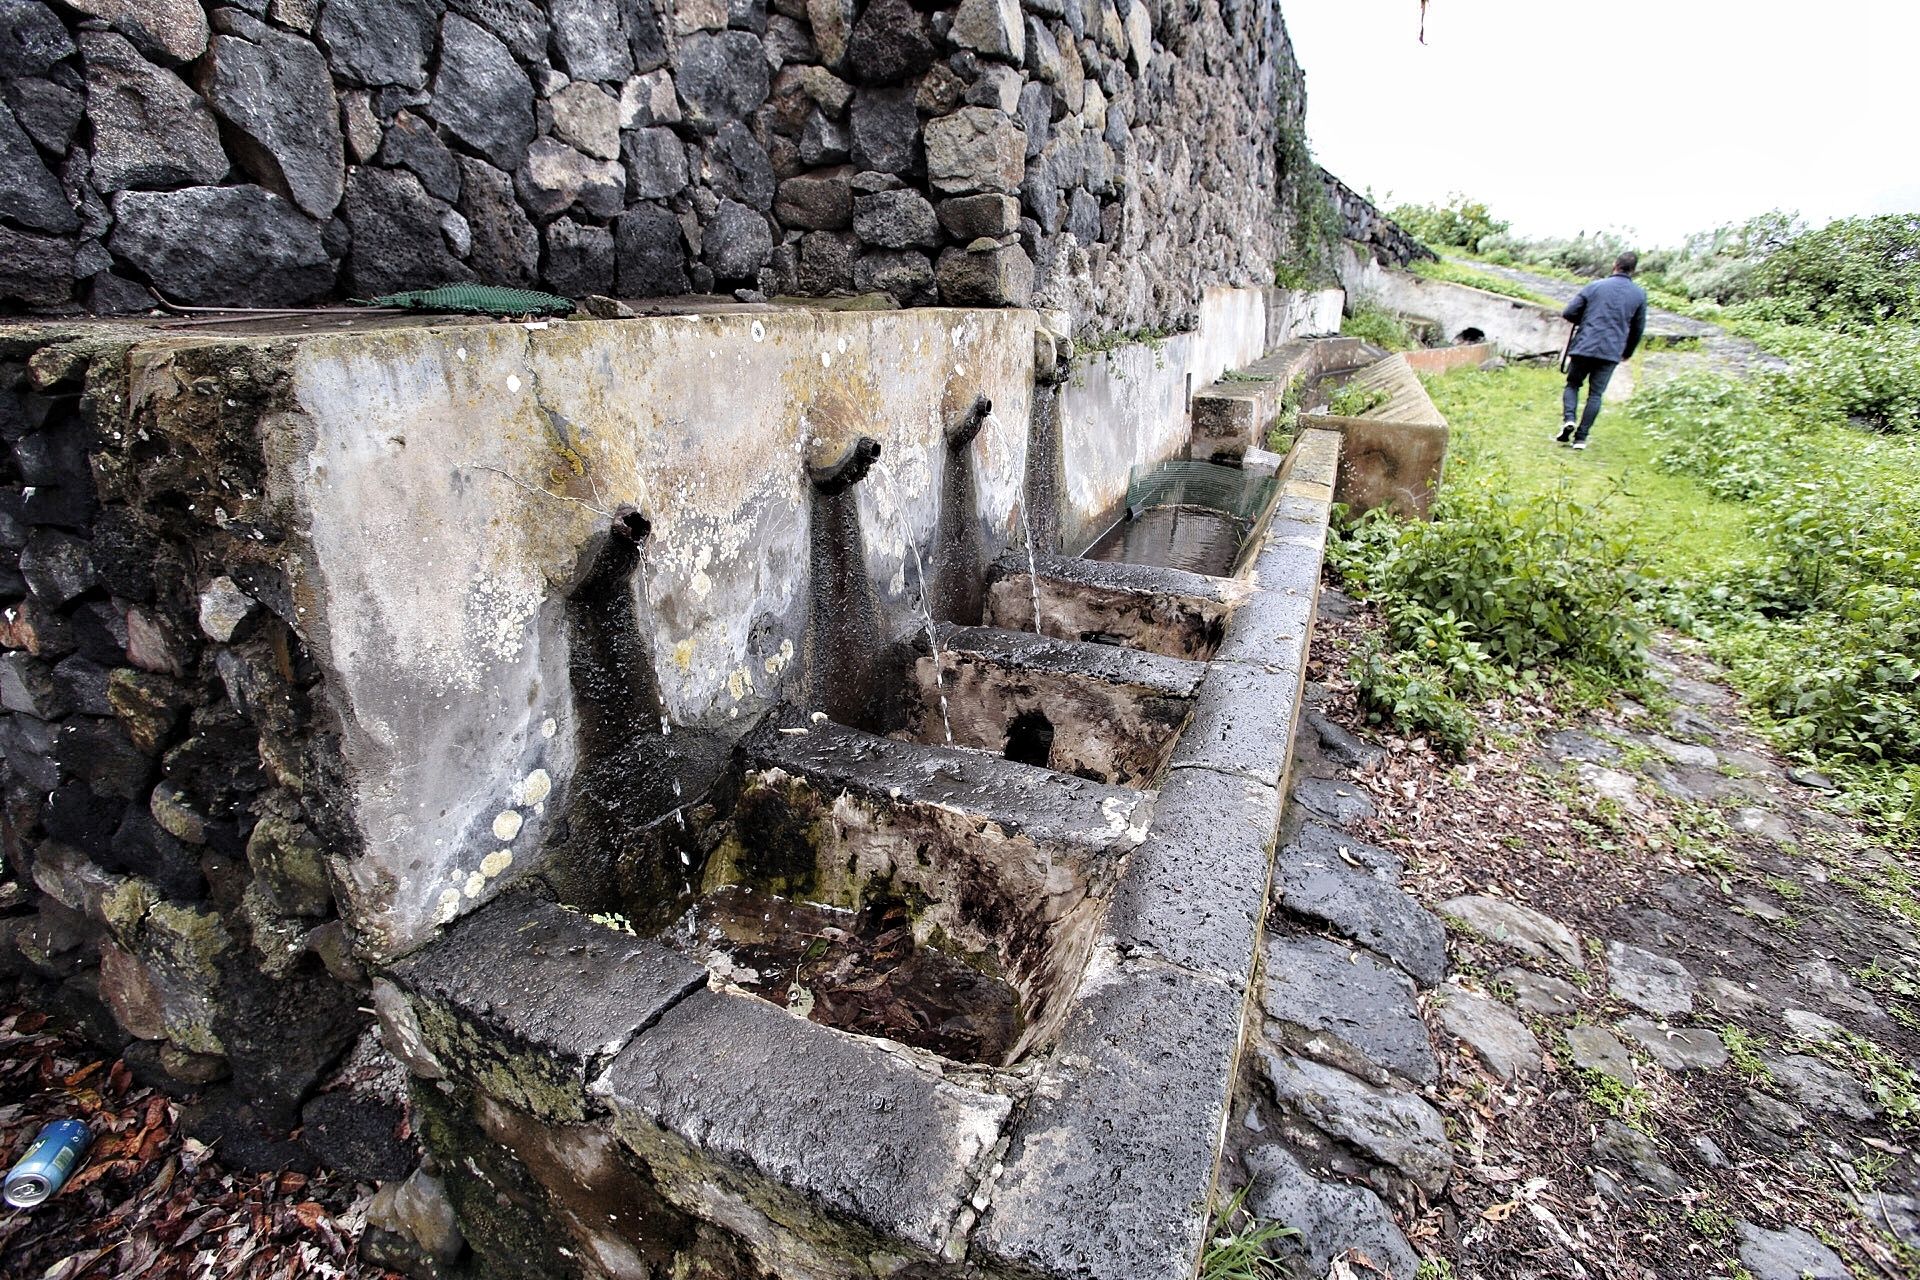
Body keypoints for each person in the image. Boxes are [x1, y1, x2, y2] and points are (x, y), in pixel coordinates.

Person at [1556, 252, 1649, 449]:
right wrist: (1627, 352)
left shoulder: (1595, 286)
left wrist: (1587, 321)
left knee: (1573, 384)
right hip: (1611, 350)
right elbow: (1638, 328)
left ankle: (1569, 419)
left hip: (1585, 344)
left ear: (1615, 265)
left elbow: (1569, 312)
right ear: (1634, 270)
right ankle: (1581, 438)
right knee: (1596, 394)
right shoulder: (1639, 294)